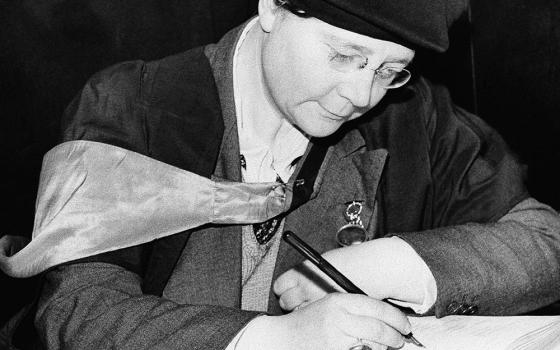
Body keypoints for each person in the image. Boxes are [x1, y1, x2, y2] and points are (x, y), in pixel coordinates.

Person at [1, 0, 560, 349]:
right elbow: (79, 310)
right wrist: (275, 339)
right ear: (271, 6)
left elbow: (546, 241)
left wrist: (391, 264)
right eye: (344, 55)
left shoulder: (414, 116)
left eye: (391, 70)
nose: (361, 95)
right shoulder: (135, 105)